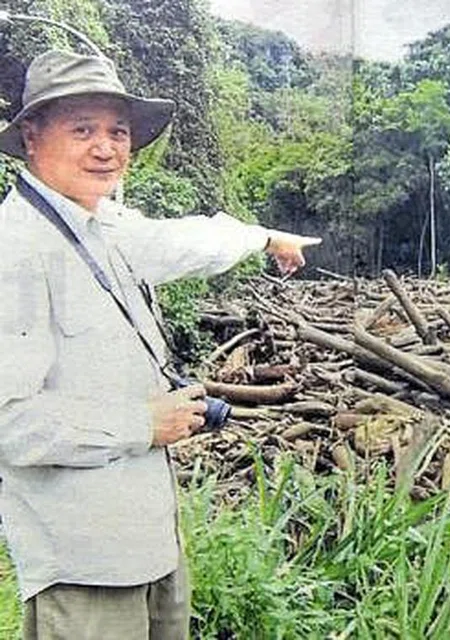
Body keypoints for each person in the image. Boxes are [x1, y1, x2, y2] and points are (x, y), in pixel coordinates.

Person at [0, 49, 322, 639]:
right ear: (31, 136)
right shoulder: (15, 251)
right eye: (83, 130)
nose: (106, 148)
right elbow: (9, 423)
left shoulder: (102, 225)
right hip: (83, 562)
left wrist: (265, 236)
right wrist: (141, 424)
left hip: (150, 544)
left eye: (117, 131)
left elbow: (184, 241)